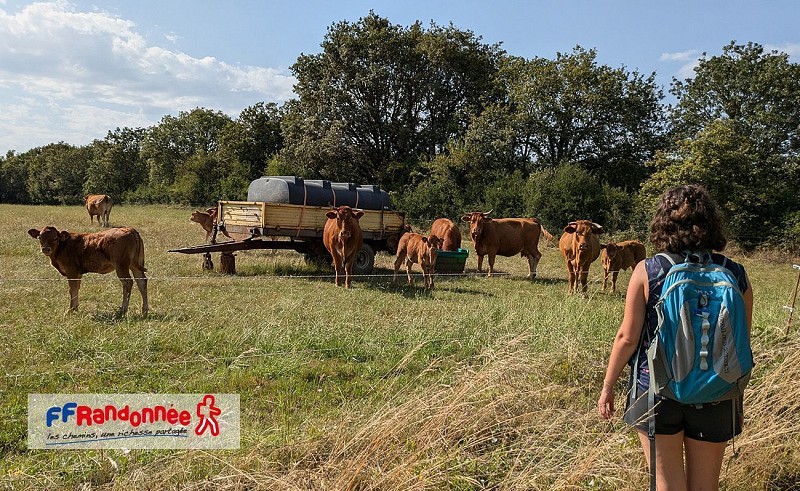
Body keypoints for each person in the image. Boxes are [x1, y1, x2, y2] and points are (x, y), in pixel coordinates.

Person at [597, 184, 753, 491]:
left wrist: (607, 387)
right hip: (717, 392)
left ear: (663, 223)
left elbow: (627, 339)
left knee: (667, 486)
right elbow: (740, 340)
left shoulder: (649, 270)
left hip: (657, 391)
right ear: (711, 223)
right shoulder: (735, 274)